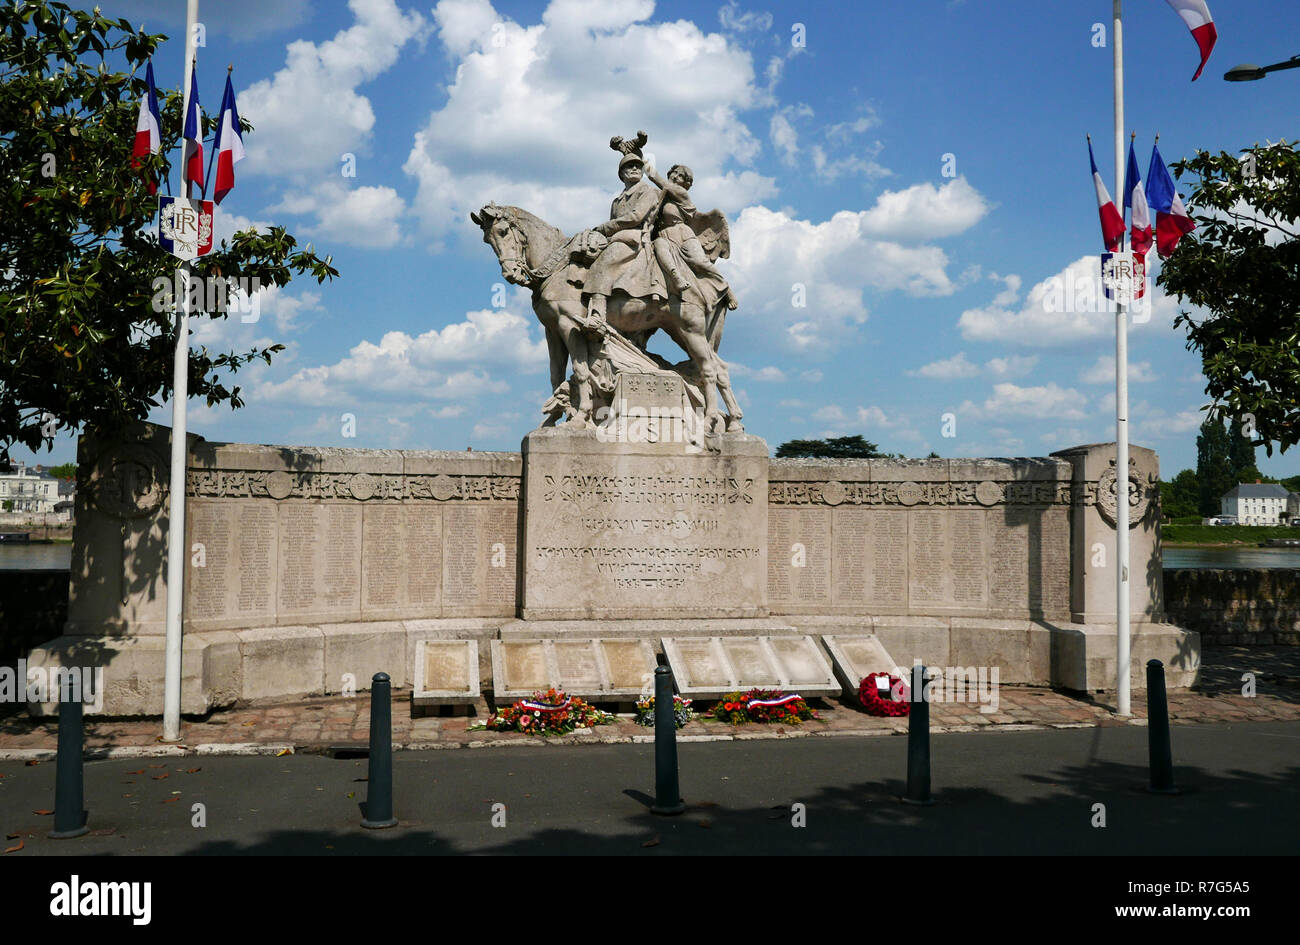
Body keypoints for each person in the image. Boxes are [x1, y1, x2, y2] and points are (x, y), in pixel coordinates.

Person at [583, 152, 663, 329]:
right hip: (617, 237)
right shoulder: (616, 200)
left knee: (602, 263)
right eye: (629, 166)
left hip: (633, 237)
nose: (634, 168)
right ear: (622, 174)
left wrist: (606, 227)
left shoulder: (647, 191)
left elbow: (636, 217)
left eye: (638, 166)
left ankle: (597, 315)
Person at [644, 163, 738, 312]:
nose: (675, 176)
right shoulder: (660, 194)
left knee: (699, 262)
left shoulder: (680, 193)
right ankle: (675, 278)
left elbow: (655, 177)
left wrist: (639, 157)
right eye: (674, 172)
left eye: (680, 175)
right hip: (663, 236)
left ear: (686, 183)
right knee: (659, 246)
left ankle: (726, 289)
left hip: (682, 234)